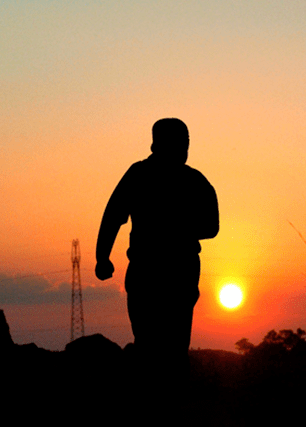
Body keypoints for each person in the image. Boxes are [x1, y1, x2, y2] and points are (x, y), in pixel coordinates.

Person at [95, 118, 219, 393]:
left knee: (173, 346)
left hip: (177, 274)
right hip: (150, 272)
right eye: (178, 142)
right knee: (151, 343)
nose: (183, 148)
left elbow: (212, 227)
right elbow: (113, 216)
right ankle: (154, 406)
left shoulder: (194, 181)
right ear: (156, 144)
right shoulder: (140, 175)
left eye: (186, 142)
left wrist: (103, 256)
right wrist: (102, 256)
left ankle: (167, 406)